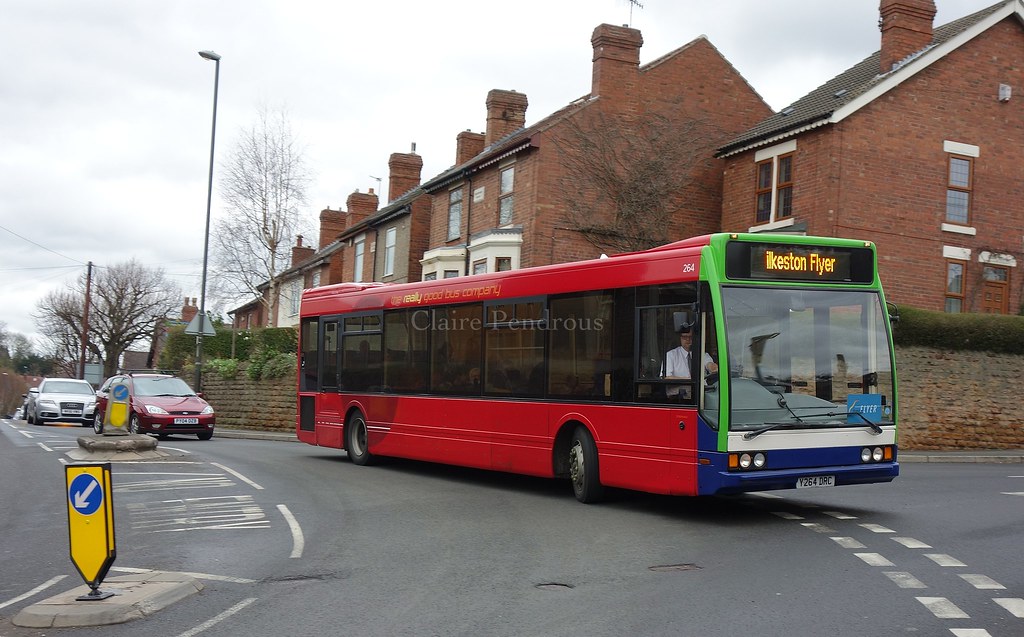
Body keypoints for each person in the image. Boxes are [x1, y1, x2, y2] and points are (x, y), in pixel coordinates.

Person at [663, 327, 718, 397]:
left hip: (701, 395)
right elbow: (666, 377)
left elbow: (709, 364)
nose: (688, 339)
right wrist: (690, 380)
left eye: (690, 337)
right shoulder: (671, 355)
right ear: (680, 338)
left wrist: (713, 367)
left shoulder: (702, 354)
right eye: (685, 337)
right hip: (677, 397)